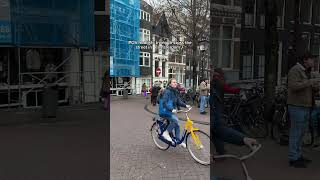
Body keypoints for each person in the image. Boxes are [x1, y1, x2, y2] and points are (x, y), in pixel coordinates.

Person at [210, 68, 258, 156]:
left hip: (215, 110)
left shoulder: (215, 81)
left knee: (216, 130)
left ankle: (222, 151)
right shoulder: (217, 80)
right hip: (217, 109)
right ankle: (221, 152)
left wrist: (243, 139)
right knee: (215, 131)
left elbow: (225, 87)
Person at [287, 52, 320, 168]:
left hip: (306, 106)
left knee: (301, 133)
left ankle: (298, 155)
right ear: (305, 60)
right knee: (295, 133)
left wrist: (316, 86)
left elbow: (308, 88)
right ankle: (293, 158)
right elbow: (293, 86)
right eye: (312, 60)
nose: (314, 62)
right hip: (297, 106)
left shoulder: (307, 71)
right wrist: (309, 82)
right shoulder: (295, 70)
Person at [158, 78, 191, 148]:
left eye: (176, 82)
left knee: (177, 124)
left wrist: (185, 105)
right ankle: (165, 133)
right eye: (173, 82)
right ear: (170, 83)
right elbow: (164, 103)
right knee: (175, 120)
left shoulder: (175, 91)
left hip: (169, 111)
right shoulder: (167, 91)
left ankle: (178, 140)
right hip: (165, 111)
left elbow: (178, 101)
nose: (175, 83)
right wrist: (172, 109)